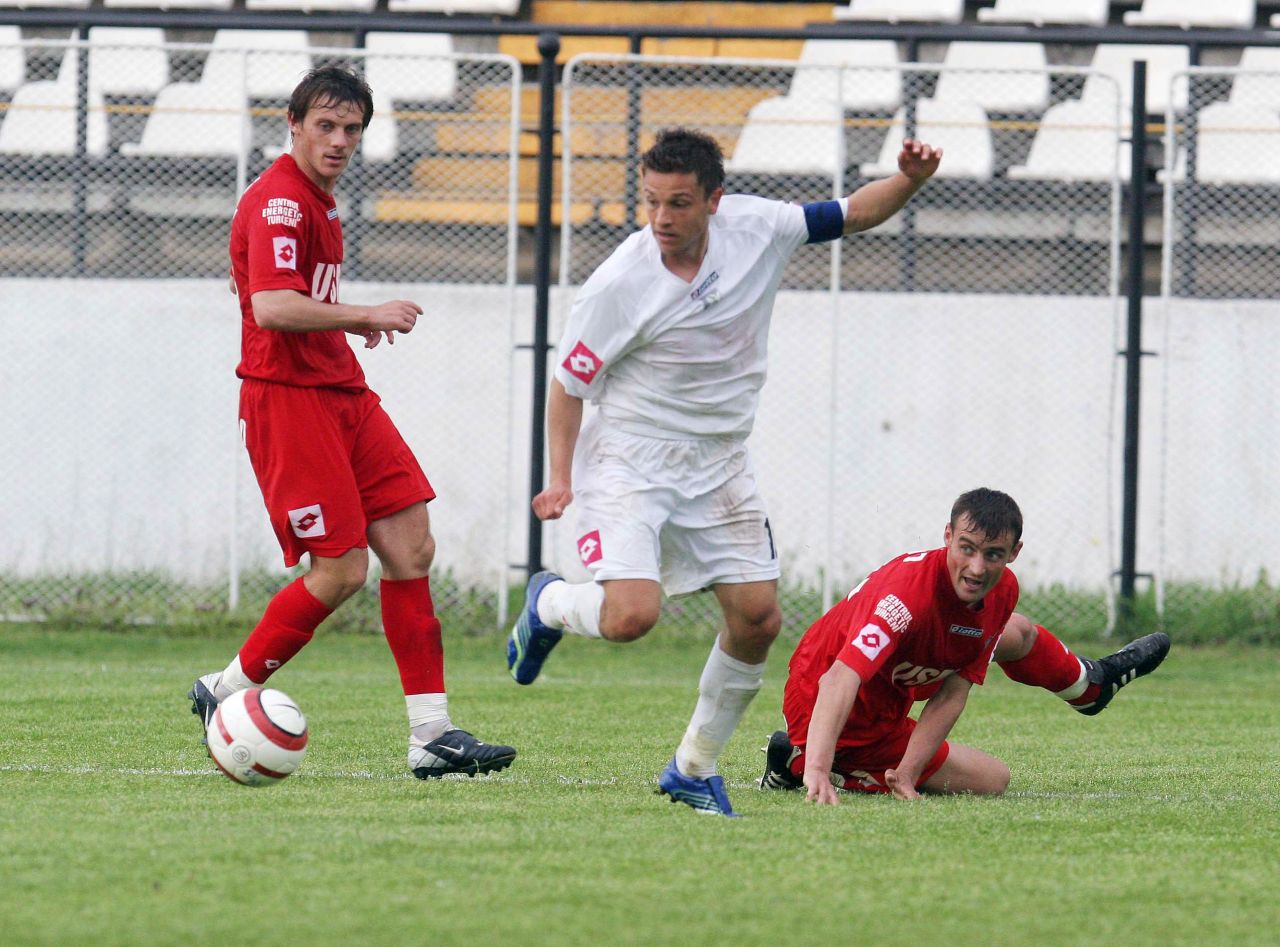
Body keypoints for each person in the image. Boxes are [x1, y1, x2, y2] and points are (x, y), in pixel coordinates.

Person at [506, 127, 943, 816]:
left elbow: (853, 211)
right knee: (630, 617)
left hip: (719, 465)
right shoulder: (619, 283)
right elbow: (567, 385)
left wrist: (911, 182)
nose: (661, 220)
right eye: (649, 202)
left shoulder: (760, 227)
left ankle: (692, 766)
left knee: (757, 617)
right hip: (631, 461)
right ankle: (550, 604)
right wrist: (560, 477)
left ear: (715, 200)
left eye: (678, 203)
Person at [187, 66, 515, 780]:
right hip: (289, 398)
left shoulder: (317, 199)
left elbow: (274, 291)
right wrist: (364, 314)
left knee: (411, 545)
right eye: (327, 126)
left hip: (340, 390)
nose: (340, 140)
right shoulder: (280, 200)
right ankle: (226, 691)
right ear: (294, 124)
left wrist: (339, 324)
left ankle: (431, 734)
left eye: (352, 129)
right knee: (340, 570)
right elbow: (272, 305)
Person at [759, 489, 1170, 802]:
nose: (976, 568)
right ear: (947, 537)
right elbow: (840, 677)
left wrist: (909, 771)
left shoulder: (1003, 589)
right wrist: (816, 766)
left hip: (895, 676)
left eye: (993, 554)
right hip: (828, 698)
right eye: (967, 549)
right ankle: (799, 759)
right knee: (992, 780)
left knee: (1019, 632)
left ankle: (1089, 687)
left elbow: (955, 688)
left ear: (1014, 553)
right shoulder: (905, 600)